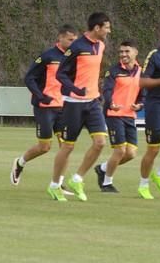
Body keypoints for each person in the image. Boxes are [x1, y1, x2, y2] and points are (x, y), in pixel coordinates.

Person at [47, 12, 111, 202]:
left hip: (93, 103)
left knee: (100, 142)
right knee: (67, 147)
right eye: (106, 27)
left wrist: (95, 90)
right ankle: (54, 186)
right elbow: (60, 74)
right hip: (73, 104)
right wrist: (75, 89)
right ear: (97, 28)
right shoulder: (76, 47)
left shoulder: (101, 46)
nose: (109, 31)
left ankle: (77, 179)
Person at [11, 25, 77, 187]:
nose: (73, 43)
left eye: (75, 40)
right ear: (60, 38)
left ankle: (59, 184)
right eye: (70, 40)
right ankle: (20, 162)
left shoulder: (74, 58)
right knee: (44, 146)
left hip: (64, 108)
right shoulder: (48, 56)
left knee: (66, 146)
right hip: (45, 107)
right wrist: (41, 97)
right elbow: (29, 78)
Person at [92, 40, 144, 193]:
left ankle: (102, 168)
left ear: (135, 52)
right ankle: (107, 183)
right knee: (120, 150)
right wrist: (111, 103)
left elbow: (143, 94)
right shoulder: (113, 71)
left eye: (127, 51)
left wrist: (140, 104)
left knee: (131, 153)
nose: (123, 55)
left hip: (129, 115)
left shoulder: (141, 71)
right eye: (121, 52)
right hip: (113, 114)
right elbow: (107, 91)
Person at [137, 24, 160, 199]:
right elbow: (141, 82)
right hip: (156, 106)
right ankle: (144, 184)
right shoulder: (155, 56)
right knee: (153, 149)